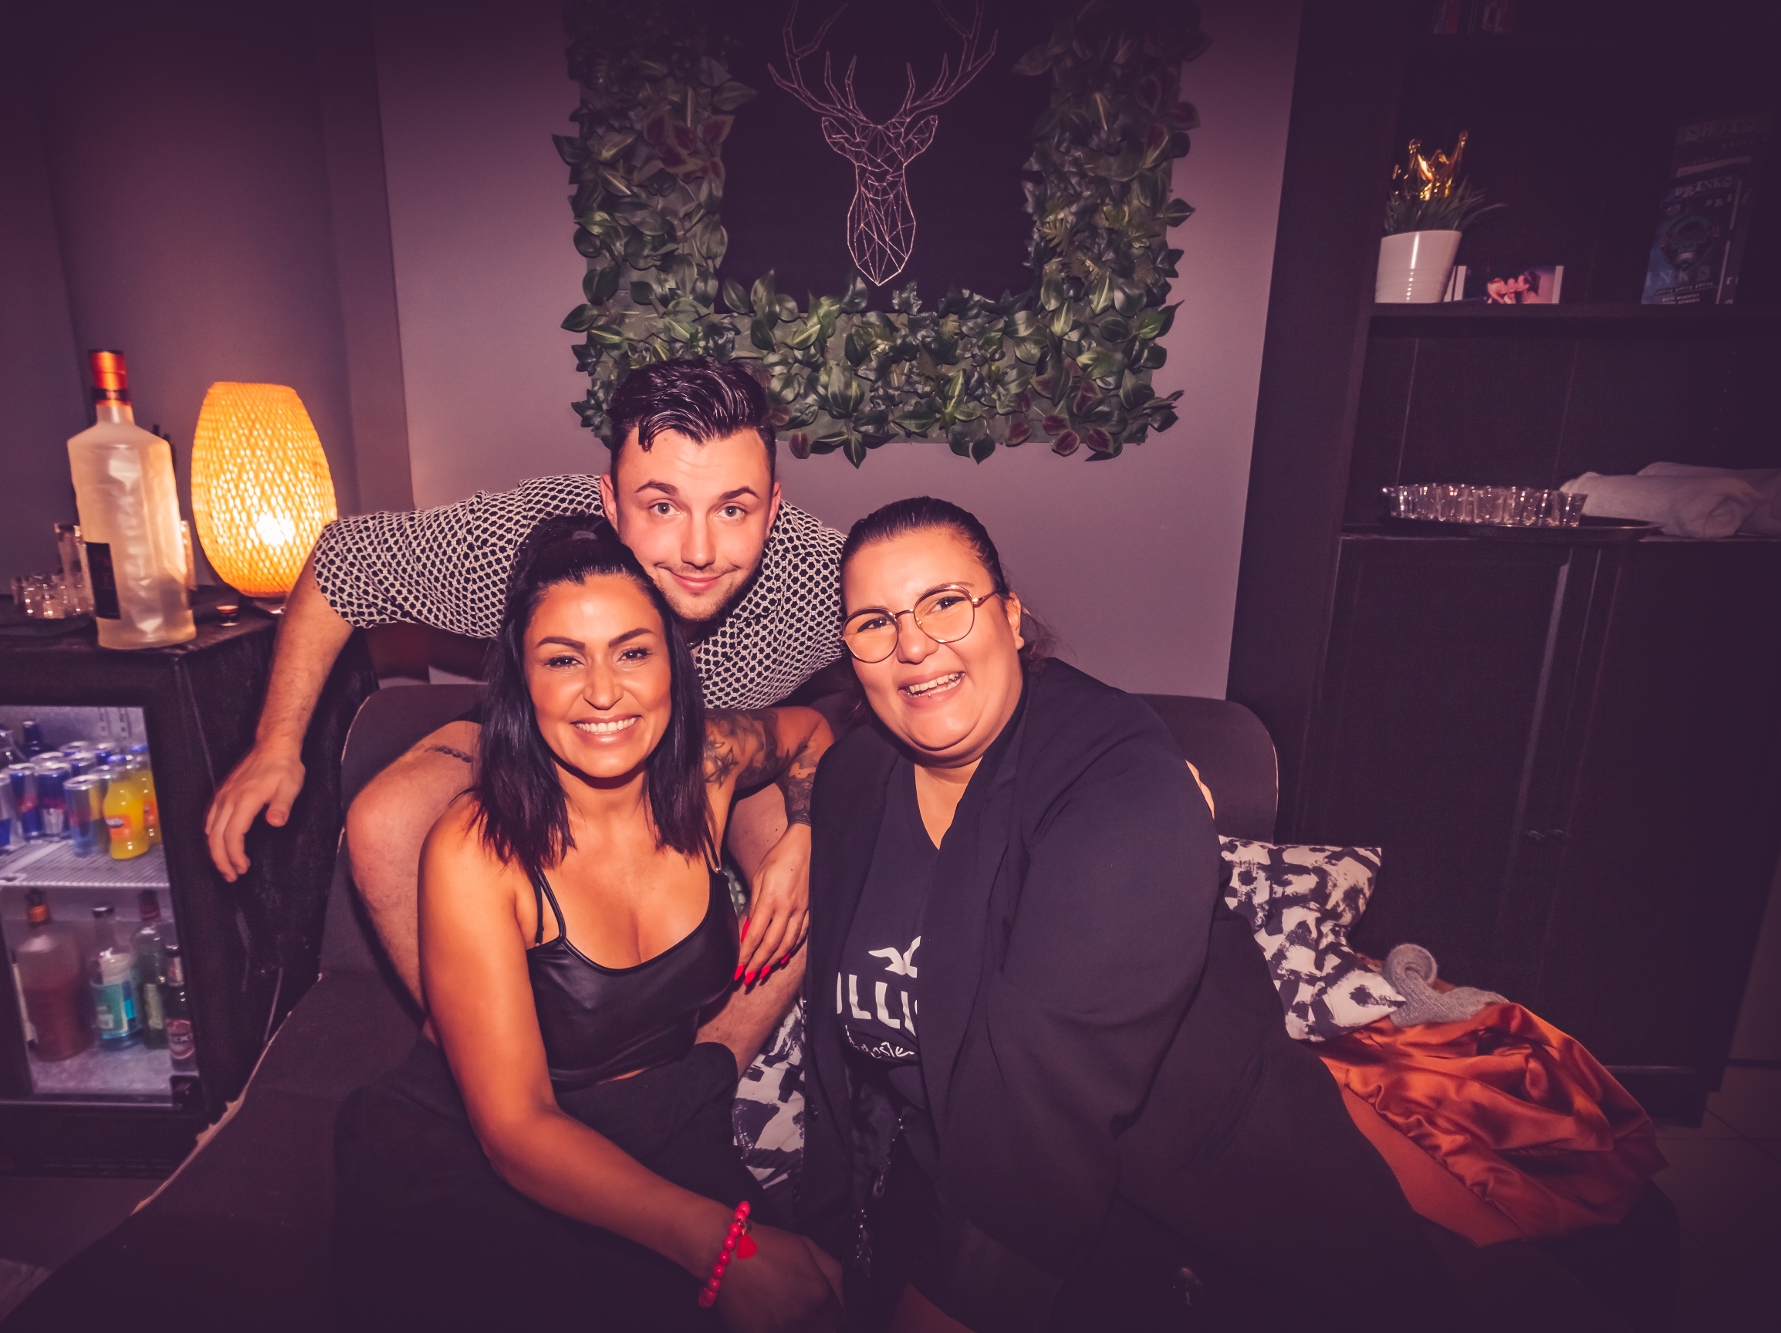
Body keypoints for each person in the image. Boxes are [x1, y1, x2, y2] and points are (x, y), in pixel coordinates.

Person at [793, 498, 1465, 1331]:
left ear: (1011, 616)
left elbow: (1039, 1105)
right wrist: (827, 1227)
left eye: (945, 602)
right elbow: (842, 1072)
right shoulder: (855, 777)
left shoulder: (1120, 778)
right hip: (934, 1210)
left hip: (1191, 1235)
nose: (914, 644)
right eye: (874, 622)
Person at [203, 359, 844, 1011]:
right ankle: (468, 1040)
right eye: (662, 506)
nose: (699, 550)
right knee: (382, 821)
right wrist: (276, 744)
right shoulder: (530, 542)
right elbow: (344, 561)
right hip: (546, 735)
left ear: (772, 509)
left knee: (816, 870)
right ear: (610, 503)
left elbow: (898, 665)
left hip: (731, 748)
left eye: (733, 509)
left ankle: (709, 1062)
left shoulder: (824, 579)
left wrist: (808, 828)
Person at [333, 516, 844, 1331]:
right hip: (491, 1154)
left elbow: (813, 734)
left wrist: (804, 838)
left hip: (666, 1115)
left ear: (673, 664)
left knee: (817, 1297)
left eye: (632, 652)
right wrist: (722, 1246)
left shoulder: (711, 765)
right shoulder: (480, 849)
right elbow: (515, 1127)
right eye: (564, 659)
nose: (603, 691)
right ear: (523, 679)